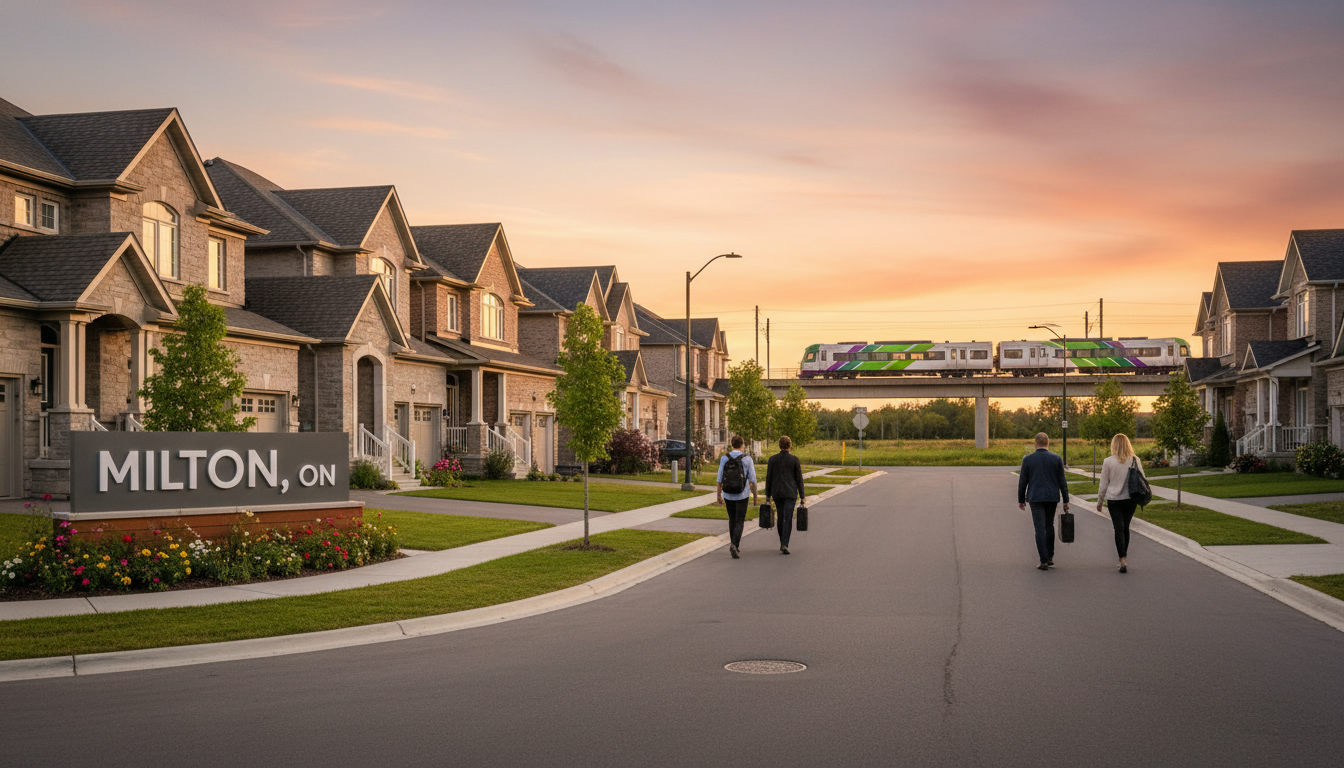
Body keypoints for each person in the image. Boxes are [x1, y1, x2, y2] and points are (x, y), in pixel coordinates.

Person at [1018, 432, 1070, 570]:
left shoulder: (1028, 460)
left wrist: (1021, 499)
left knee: (1039, 528)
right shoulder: (1056, 459)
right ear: (1048, 443)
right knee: (1049, 525)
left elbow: (1023, 481)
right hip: (1052, 497)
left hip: (1035, 497)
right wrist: (1066, 500)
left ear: (1036, 443)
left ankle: (1044, 560)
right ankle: (1050, 556)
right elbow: (1062, 482)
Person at [1096, 433, 1144, 574]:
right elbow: (1142, 479)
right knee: (1125, 528)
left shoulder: (1108, 462)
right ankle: (1124, 558)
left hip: (1114, 500)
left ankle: (1122, 559)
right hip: (1131, 499)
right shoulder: (1135, 460)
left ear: (1114, 445)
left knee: (1118, 528)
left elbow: (1103, 484)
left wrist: (1099, 501)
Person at [716, 435, 759, 559]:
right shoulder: (747, 459)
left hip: (728, 494)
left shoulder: (724, 458)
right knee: (740, 520)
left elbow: (719, 479)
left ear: (731, 444)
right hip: (742, 494)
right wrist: (755, 496)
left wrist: (719, 495)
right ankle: (735, 545)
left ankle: (733, 544)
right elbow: (753, 480)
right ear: (742, 445)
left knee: (732, 519)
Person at [765, 435, 806, 555]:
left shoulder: (772, 459)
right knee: (788, 518)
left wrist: (768, 496)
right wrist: (802, 496)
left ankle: (782, 542)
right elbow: (799, 479)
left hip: (777, 492)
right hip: (790, 492)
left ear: (779, 445)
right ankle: (785, 543)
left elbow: (769, 478)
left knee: (780, 516)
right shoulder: (794, 460)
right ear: (790, 445)